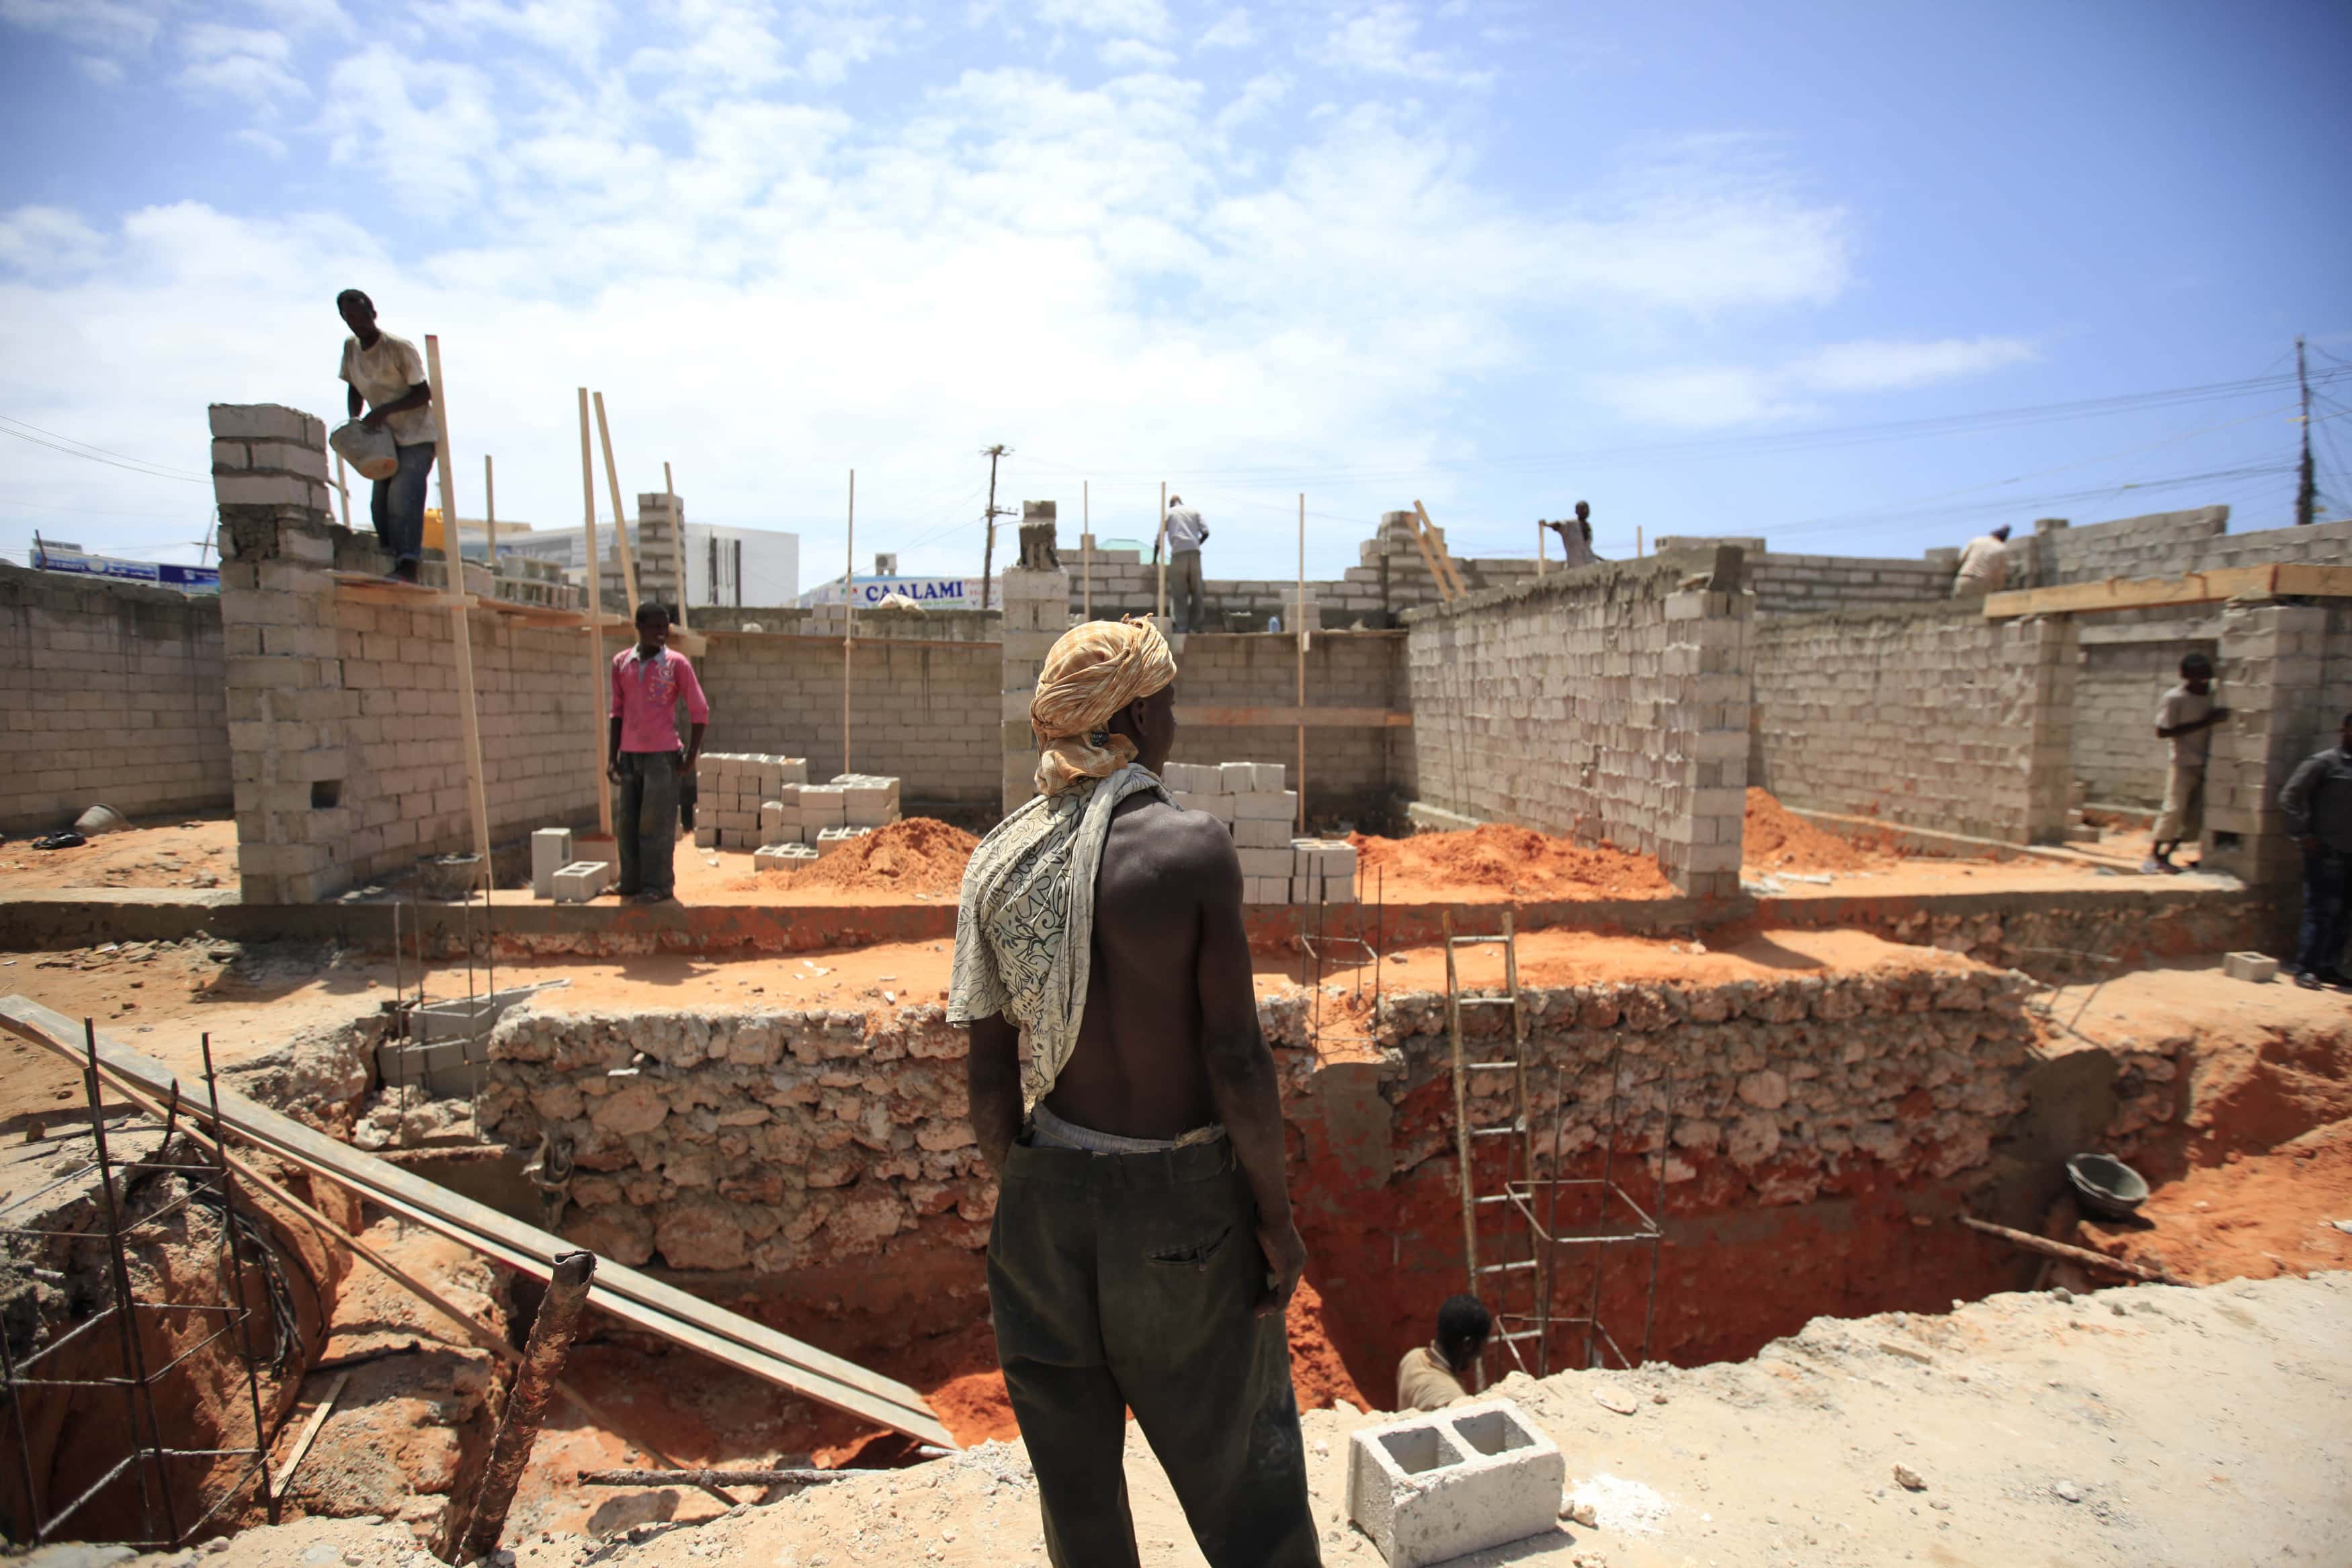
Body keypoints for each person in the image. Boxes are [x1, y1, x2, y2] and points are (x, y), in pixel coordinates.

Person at [951, 617, 1318, 1568]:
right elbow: (1235, 1057)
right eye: (1170, 698)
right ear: (1142, 714)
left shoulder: (998, 861)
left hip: (1042, 1215)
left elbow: (989, 1074)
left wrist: (1037, 1194)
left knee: (1080, 1508)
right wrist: (1274, 1215)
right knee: (1251, 1489)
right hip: (1180, 1216)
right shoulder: (1189, 850)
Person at [607, 603, 708, 904]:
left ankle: (658, 886)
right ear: (638, 626)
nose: (662, 633)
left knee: (656, 826)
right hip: (630, 757)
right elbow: (617, 713)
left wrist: (691, 756)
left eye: (665, 627)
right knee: (628, 825)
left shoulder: (677, 664)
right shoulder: (621, 663)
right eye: (654, 627)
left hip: (662, 758)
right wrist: (612, 758)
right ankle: (630, 883)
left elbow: (700, 710)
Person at [335, 289, 436, 583]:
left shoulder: (397, 348)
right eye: (348, 317)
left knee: (403, 496)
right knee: (379, 505)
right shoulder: (351, 348)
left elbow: (423, 392)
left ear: (373, 315)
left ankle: (409, 566)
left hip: (416, 435)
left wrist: (384, 411)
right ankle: (392, 557)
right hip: (385, 439)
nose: (355, 322)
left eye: (360, 315)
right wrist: (356, 419)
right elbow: (354, 386)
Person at [2280, 711, 2352, 990]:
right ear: (2344, 729)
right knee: (2321, 910)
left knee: (2344, 913)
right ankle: (2306, 968)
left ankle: (2328, 967)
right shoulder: (2324, 763)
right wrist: (2303, 834)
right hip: (2326, 851)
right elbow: (2289, 797)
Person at [2145, 651, 2229, 873]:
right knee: (2174, 810)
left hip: (2208, 764)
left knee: (2197, 816)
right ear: (2187, 677)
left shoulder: (2214, 695)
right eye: (2197, 678)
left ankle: (2168, 854)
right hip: (2184, 762)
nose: (2202, 682)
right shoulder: (2175, 698)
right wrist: (2205, 723)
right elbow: (2163, 731)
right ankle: (2155, 855)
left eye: (2205, 678)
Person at [1394, 1295, 1491, 1411]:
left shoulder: (1411, 1358)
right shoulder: (1451, 1401)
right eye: (1481, 1345)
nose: (1480, 1354)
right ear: (1468, 1344)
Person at [1162, 493, 1210, 634]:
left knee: (1179, 593)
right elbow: (1206, 532)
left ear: (1171, 504)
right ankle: (1196, 628)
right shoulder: (1194, 511)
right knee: (1197, 592)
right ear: (1181, 502)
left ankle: (1182, 629)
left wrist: (1154, 558)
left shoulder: (1169, 513)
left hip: (1178, 554)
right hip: (1195, 553)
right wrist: (1197, 544)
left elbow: (1159, 537)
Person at [1949, 523, 2013, 599]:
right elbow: (2000, 576)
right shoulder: (2002, 549)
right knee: (1976, 609)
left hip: (1964, 579)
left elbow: (1961, 559)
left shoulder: (1977, 540)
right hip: (1983, 583)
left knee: (1958, 607)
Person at [1543, 501, 1599, 568]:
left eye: (1587, 509)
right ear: (1576, 511)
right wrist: (1547, 525)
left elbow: (1587, 548)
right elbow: (1558, 525)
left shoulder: (1588, 527)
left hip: (1590, 563)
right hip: (1575, 565)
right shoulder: (1570, 525)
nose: (1585, 511)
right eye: (1583, 509)